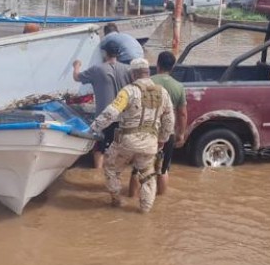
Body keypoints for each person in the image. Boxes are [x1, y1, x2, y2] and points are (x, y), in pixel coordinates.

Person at [90, 58, 174, 213]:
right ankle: (145, 210)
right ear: (148, 73)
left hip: (126, 141)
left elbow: (111, 112)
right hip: (150, 143)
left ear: (133, 74)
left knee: (110, 168)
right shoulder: (163, 92)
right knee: (148, 176)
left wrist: (94, 128)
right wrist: (163, 139)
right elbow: (169, 120)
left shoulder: (128, 91)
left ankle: (116, 200)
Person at [129, 50, 187, 197]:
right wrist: (181, 133)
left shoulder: (147, 82)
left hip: (145, 131)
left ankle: (131, 197)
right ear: (172, 67)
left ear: (157, 65)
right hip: (167, 133)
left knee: (137, 169)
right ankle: (160, 201)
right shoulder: (179, 87)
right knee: (163, 169)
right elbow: (182, 113)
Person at [73, 43, 132, 168]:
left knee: (100, 148)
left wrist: (76, 66)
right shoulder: (128, 69)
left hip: (104, 117)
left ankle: (97, 175)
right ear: (119, 54)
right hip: (123, 117)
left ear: (105, 54)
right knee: (119, 150)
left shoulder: (97, 69)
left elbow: (77, 77)